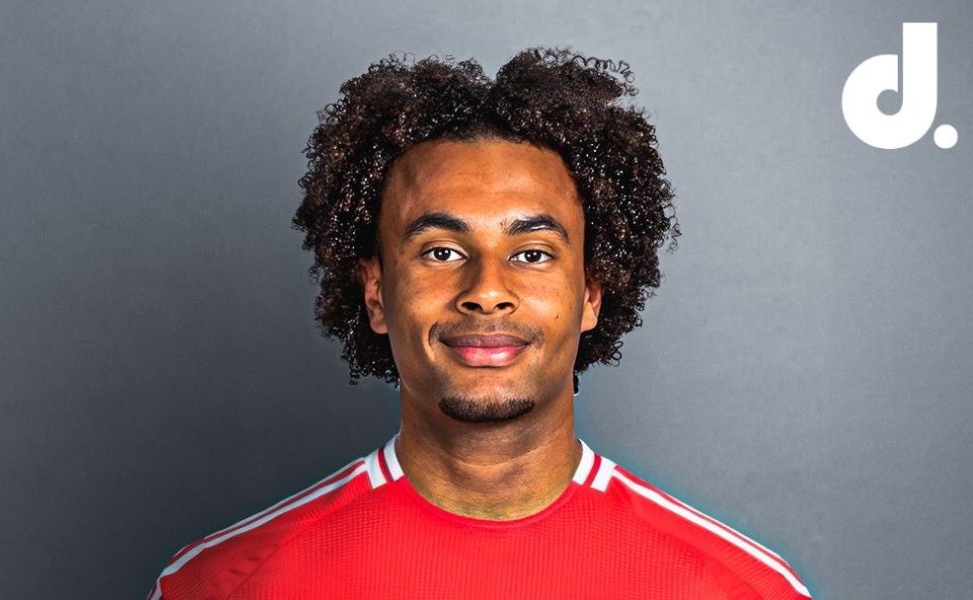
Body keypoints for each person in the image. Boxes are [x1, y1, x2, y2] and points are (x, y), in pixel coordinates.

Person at [147, 48, 811, 599]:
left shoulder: (742, 589)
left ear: (590, 293)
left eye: (532, 253)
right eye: (441, 252)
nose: (487, 291)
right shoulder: (221, 587)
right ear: (376, 293)